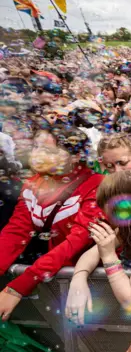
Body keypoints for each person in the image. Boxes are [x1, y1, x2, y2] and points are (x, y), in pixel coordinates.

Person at [0, 126, 104, 320]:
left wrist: (18, 287)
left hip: (90, 285)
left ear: (74, 157)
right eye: (35, 147)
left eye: (47, 150)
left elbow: (76, 242)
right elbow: (15, 232)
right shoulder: (32, 184)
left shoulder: (96, 185)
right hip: (49, 279)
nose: (37, 155)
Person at [64, 170, 131, 325]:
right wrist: (78, 279)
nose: (105, 213)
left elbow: (130, 300)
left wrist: (108, 255)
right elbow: (91, 255)